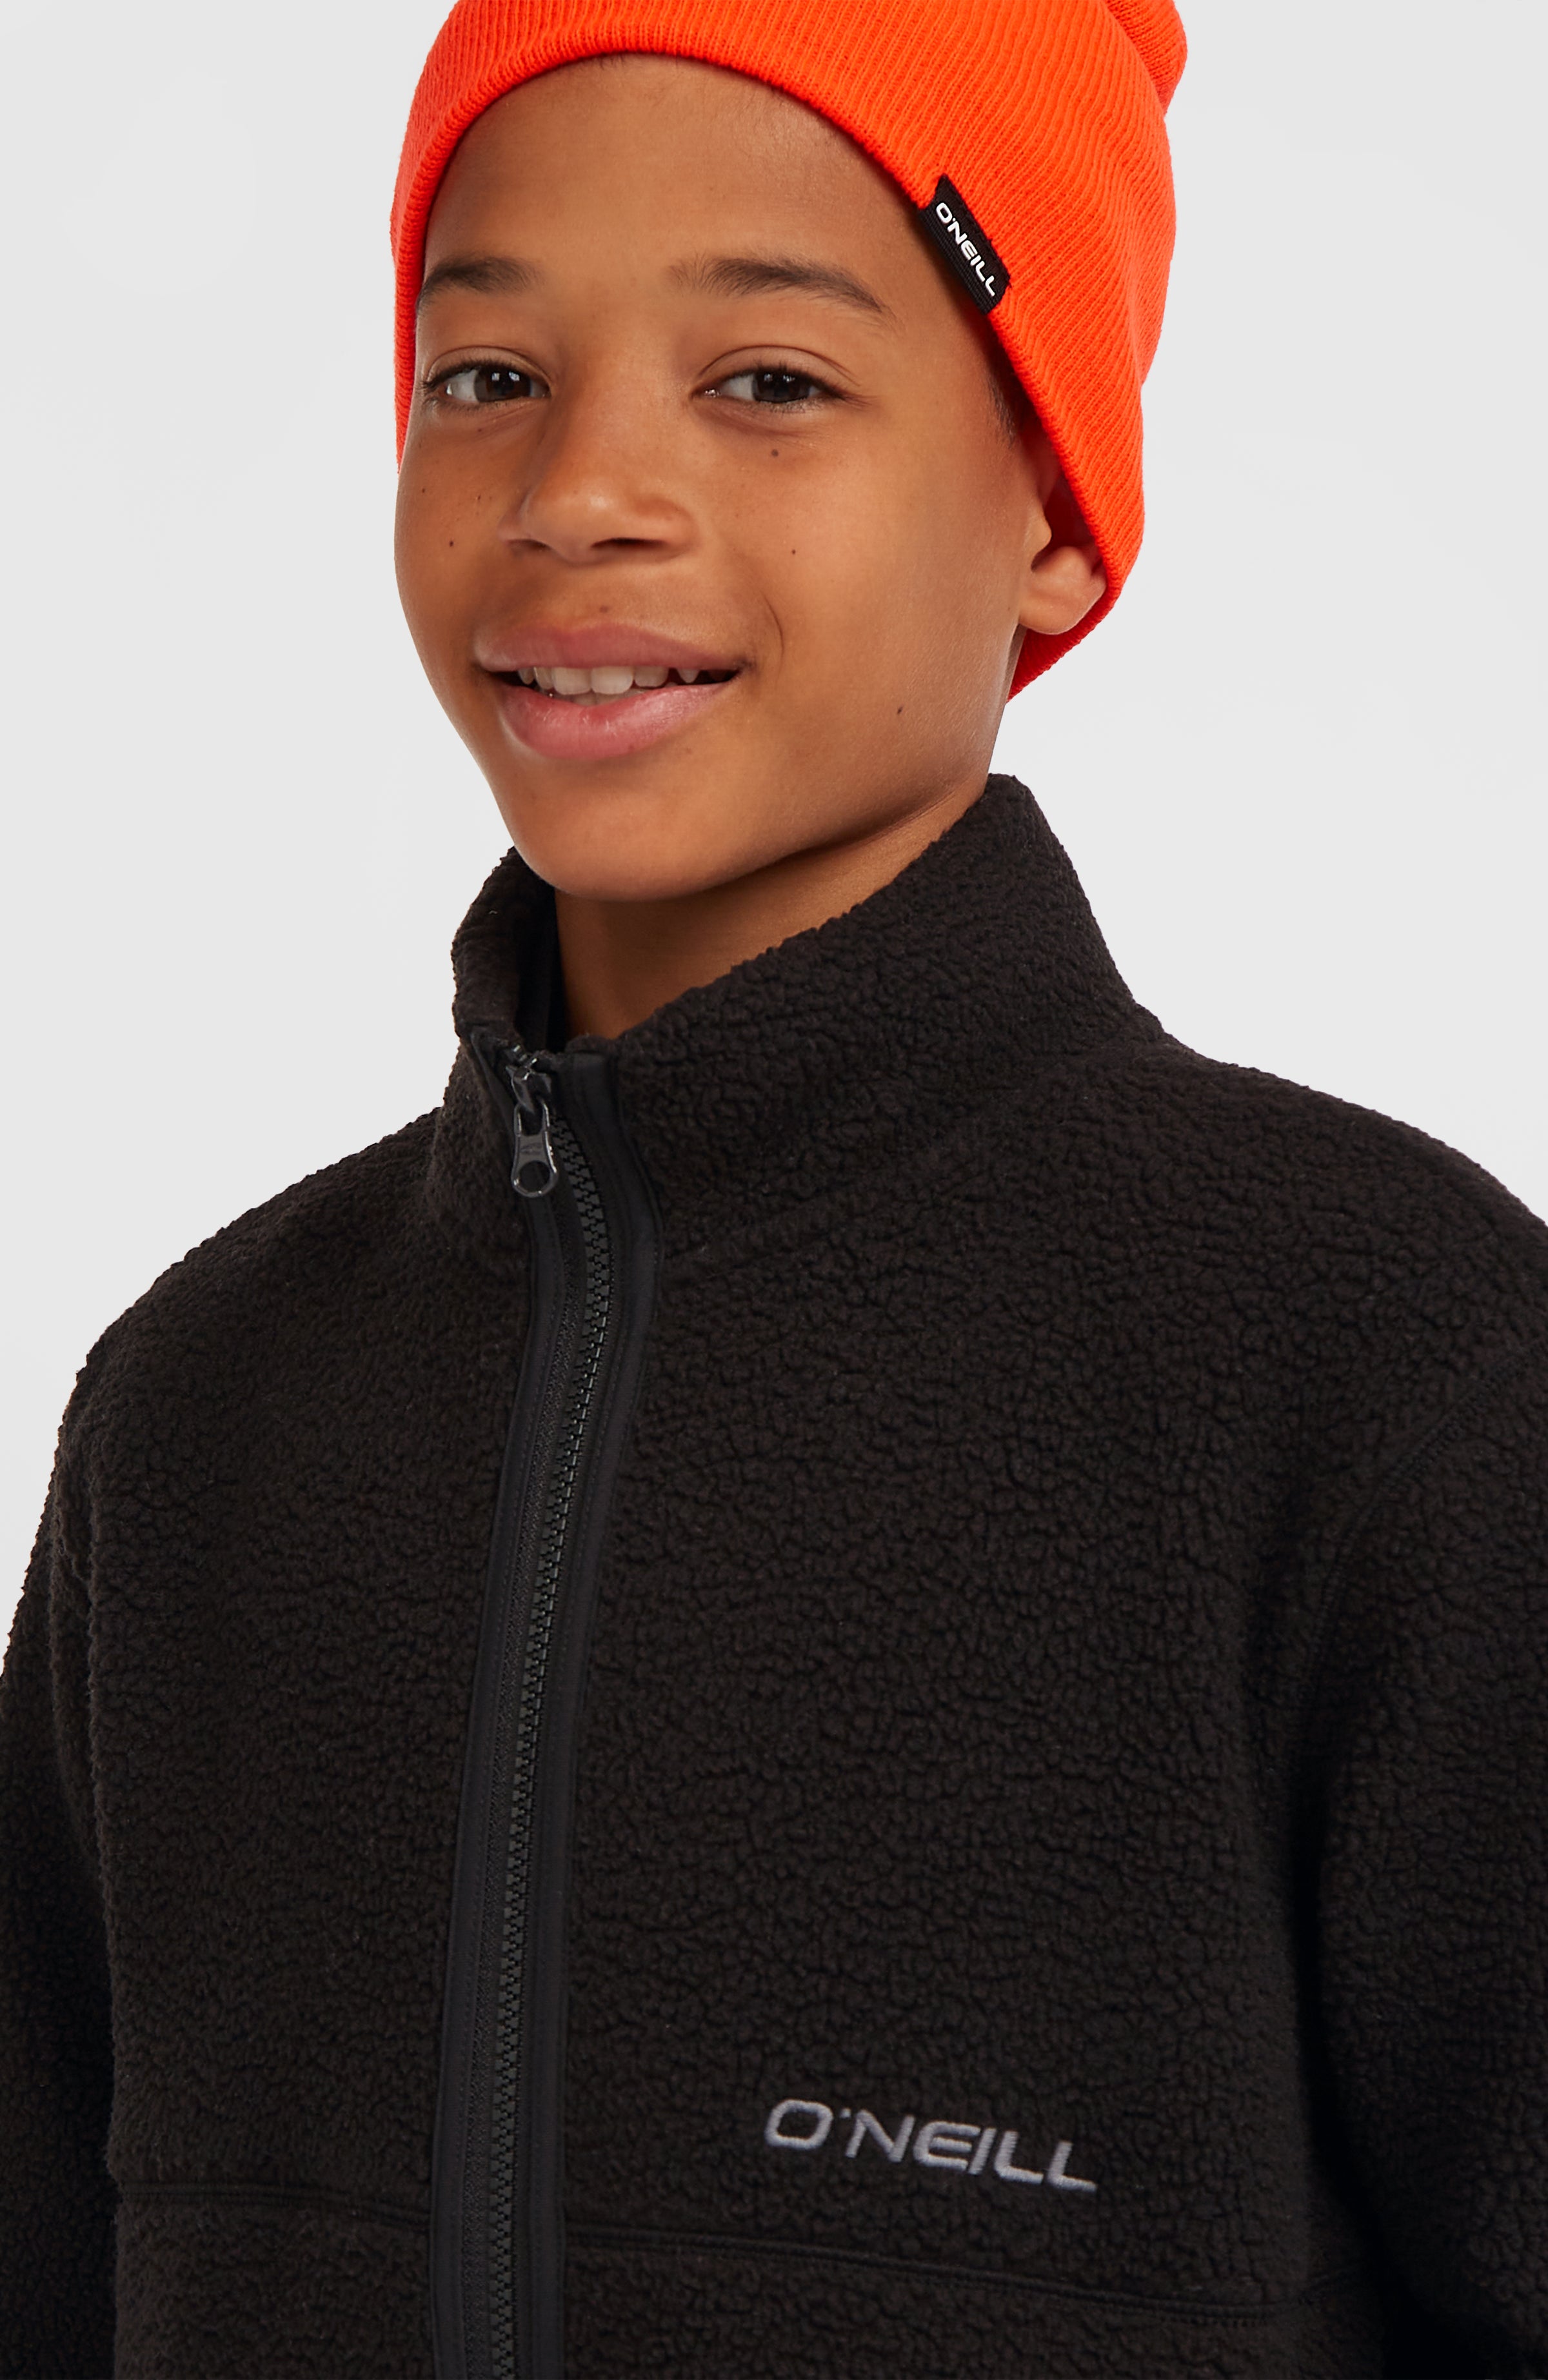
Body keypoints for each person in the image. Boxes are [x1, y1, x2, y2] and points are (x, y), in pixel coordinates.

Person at [3, 0, 1545, 2372]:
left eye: (769, 381)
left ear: (1052, 512)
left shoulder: (1388, 1377)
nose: (582, 490)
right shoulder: (203, 1413)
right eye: (487, 374)